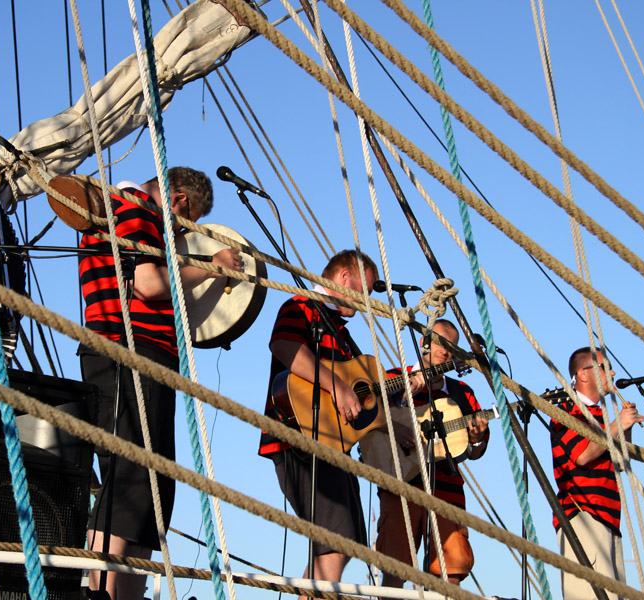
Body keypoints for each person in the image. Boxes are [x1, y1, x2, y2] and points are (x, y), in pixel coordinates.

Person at [79, 167, 240, 600]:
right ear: (179, 200)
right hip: (130, 351)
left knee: (152, 487)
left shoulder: (122, 209)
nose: (180, 232)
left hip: (138, 354)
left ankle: (127, 594)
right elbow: (148, 284)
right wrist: (211, 266)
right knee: (131, 477)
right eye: (186, 222)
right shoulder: (136, 208)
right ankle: (101, 592)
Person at [257, 250, 377, 597]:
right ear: (344, 277)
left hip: (333, 444)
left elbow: (363, 393)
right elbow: (284, 345)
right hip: (300, 438)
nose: (368, 299)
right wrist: (337, 386)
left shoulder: (340, 332)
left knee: (344, 541)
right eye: (366, 289)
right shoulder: (301, 306)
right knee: (337, 540)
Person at [372, 319, 489, 587]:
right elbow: (367, 415)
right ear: (424, 343)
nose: (446, 352)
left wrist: (476, 438)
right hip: (400, 484)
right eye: (440, 344)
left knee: (451, 574)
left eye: (452, 348)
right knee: (394, 571)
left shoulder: (462, 392)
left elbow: (475, 450)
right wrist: (395, 420)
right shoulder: (393, 377)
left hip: (447, 489)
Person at [551, 347, 644, 600]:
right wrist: (616, 425)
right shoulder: (566, 409)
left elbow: (620, 463)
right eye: (605, 368)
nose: (612, 373)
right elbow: (582, 455)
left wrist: (624, 429)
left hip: (609, 520)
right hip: (583, 516)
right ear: (583, 374)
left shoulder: (600, 417)